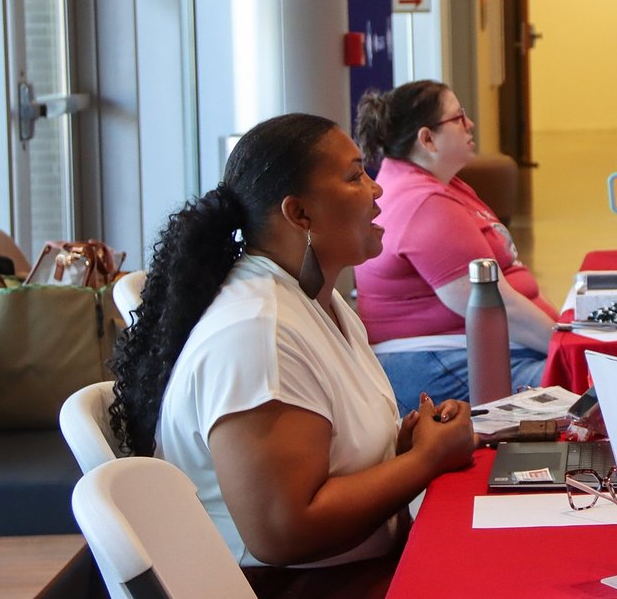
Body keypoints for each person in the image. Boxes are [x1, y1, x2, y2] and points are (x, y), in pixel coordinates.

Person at [108, 113, 476, 595]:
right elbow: (282, 533)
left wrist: (402, 450)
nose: (376, 189)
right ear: (299, 214)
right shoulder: (258, 332)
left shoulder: (313, 297)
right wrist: (425, 462)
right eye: (354, 176)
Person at [354, 81, 557, 412]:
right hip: (440, 362)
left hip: (466, 352)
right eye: (458, 117)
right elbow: (493, 306)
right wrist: (571, 348)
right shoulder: (425, 205)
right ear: (427, 138)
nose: (470, 124)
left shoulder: (439, 185)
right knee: (592, 385)